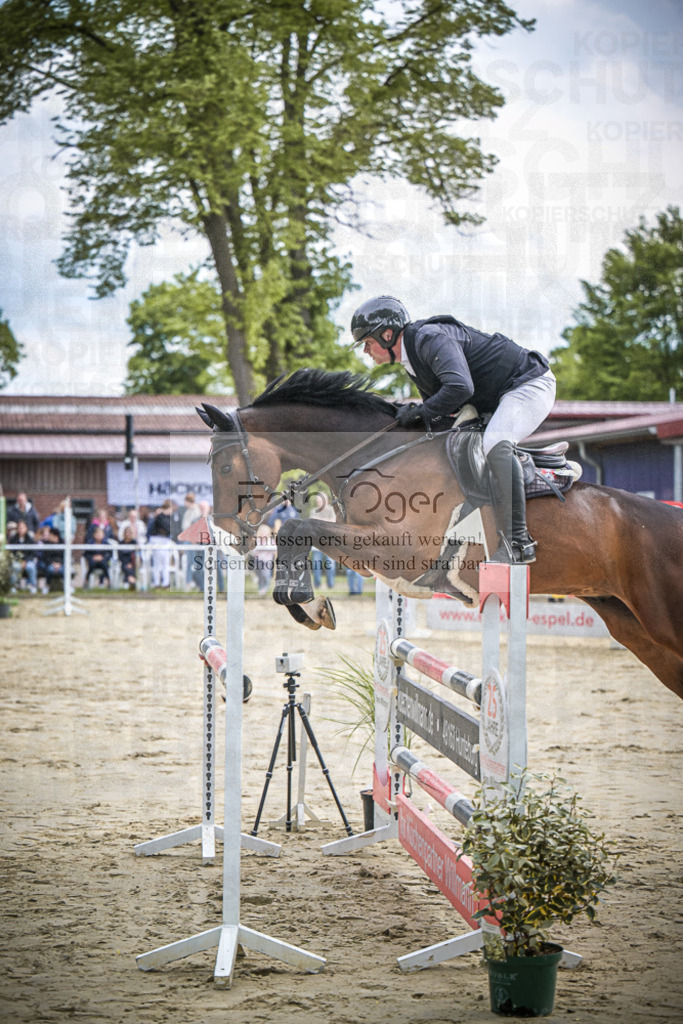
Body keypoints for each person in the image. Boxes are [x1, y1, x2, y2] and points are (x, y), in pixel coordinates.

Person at [350, 295, 556, 564]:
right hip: (494, 398)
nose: (365, 351)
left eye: (367, 342)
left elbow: (460, 388)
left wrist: (420, 411)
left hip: (527, 384)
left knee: (494, 443)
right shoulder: (411, 361)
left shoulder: (429, 339)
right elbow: (442, 416)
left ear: (387, 335)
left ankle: (519, 542)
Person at [309, 493, 336, 590]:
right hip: (317, 543)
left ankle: (330, 584)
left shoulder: (331, 510)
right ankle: (317, 585)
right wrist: (325, 522)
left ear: (326, 501)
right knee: (316, 565)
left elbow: (333, 522)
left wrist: (319, 521)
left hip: (329, 543)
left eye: (321, 500)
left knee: (330, 565)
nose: (319, 503)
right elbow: (311, 524)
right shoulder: (313, 511)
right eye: (318, 501)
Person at [147, 499, 174, 588]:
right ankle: (157, 583)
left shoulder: (168, 517)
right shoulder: (160, 516)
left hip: (165, 540)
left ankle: (165, 583)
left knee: (165, 562)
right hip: (157, 540)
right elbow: (166, 528)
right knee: (157, 562)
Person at [8, 521, 38, 593]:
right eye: (19, 528)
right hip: (17, 561)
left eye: (23, 527)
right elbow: (12, 553)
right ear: (17, 529)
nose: (21, 529)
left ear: (26, 528)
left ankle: (33, 586)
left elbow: (33, 553)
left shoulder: (30, 539)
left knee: (31, 567)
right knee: (15, 567)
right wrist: (19, 561)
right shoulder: (13, 539)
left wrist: (26, 561)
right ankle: (14, 586)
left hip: (28, 561)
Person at [37, 526, 64, 593]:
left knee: (64, 570)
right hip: (50, 564)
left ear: (55, 536)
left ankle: (67, 586)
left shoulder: (62, 544)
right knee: (50, 570)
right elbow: (46, 557)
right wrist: (53, 564)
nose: (49, 537)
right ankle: (47, 586)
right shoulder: (47, 544)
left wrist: (59, 564)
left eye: (50, 535)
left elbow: (64, 557)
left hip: (60, 564)